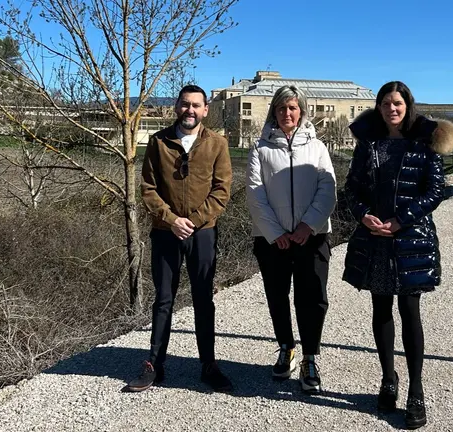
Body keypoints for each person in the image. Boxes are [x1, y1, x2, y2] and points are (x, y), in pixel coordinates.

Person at [342, 81, 453, 428]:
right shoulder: (369, 143)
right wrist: (364, 215)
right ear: (378, 107)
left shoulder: (426, 140)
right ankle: (388, 379)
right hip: (375, 239)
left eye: (398, 102)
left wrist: (401, 220)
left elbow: (435, 190)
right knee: (381, 309)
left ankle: (416, 392)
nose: (392, 108)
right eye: (386, 103)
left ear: (408, 105)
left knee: (410, 311)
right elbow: (352, 187)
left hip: (411, 240)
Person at [127, 84, 233, 393]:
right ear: (176, 106)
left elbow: (222, 190)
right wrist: (172, 221)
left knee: (204, 299)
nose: (190, 110)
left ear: (205, 110)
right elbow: (148, 188)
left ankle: (208, 364)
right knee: (163, 299)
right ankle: (154, 365)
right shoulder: (159, 142)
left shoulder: (217, 144)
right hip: (165, 232)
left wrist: (194, 221)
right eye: (185, 104)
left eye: (196, 105)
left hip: (202, 234)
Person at [246, 85, 337, 394]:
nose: (288, 113)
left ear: (302, 111)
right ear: (275, 111)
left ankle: (311, 355)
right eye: (282, 108)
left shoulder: (318, 148)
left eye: (293, 108)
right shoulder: (260, 148)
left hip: (312, 238)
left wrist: (307, 226)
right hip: (273, 240)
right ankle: (286, 346)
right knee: (277, 295)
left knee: (312, 298)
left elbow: (328, 189)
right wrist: (276, 233)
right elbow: (255, 194)